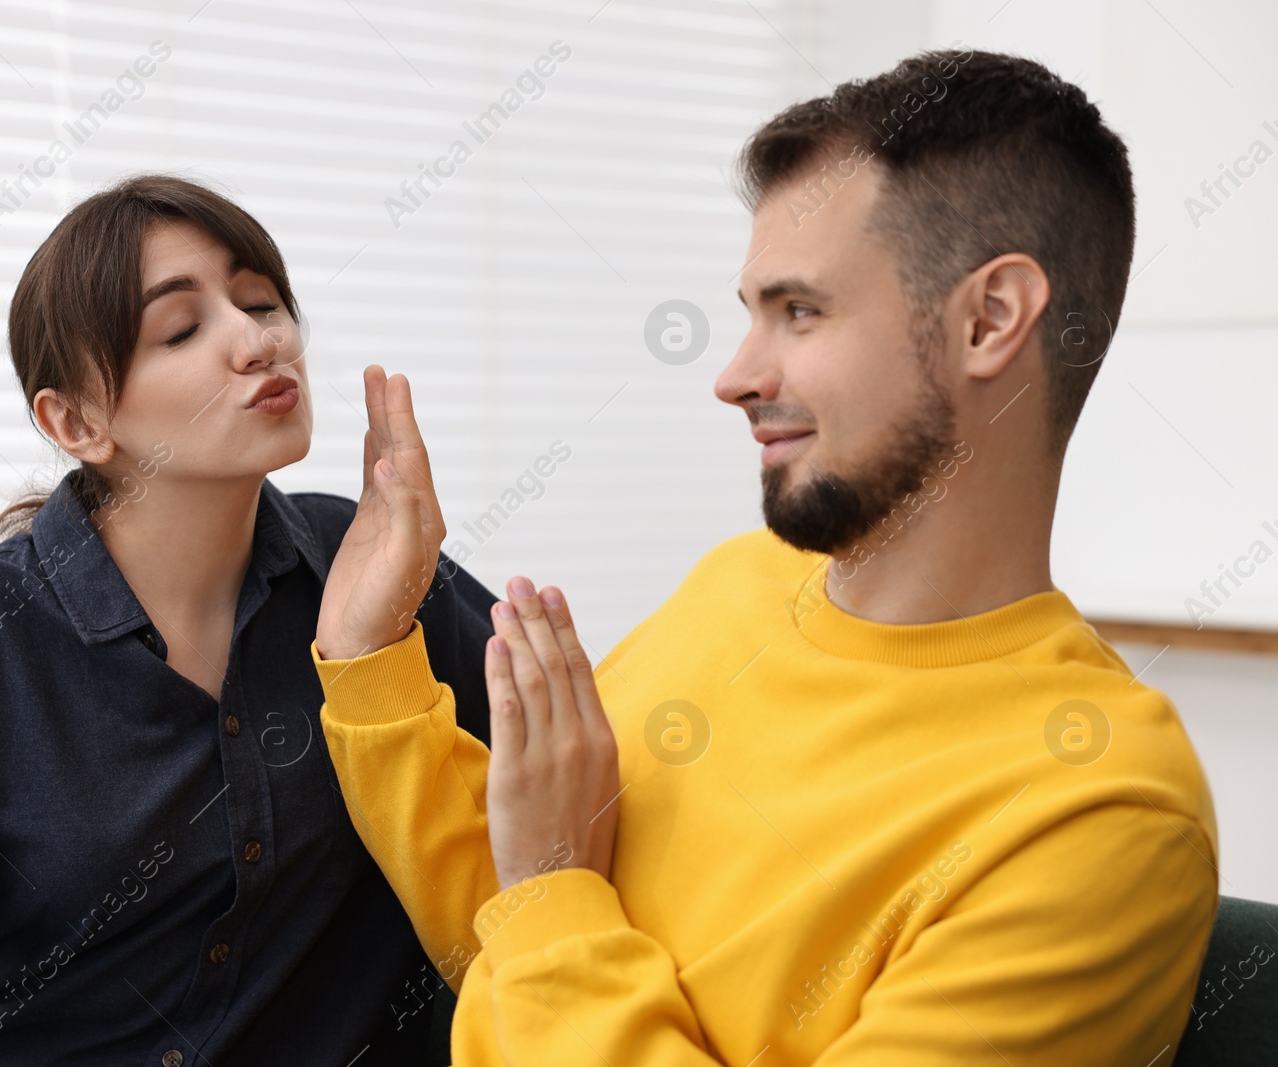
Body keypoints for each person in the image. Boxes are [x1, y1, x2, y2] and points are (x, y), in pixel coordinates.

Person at [310, 50, 1219, 1064]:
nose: (735, 376)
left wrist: (555, 886)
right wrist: (369, 659)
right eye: (751, 312)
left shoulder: (1097, 813)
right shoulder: (734, 587)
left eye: (800, 311)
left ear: (989, 319)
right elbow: (516, 936)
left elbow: (549, 914)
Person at [0, 175, 496, 1065]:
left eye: (261, 301)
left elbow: (575, 813)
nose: (258, 341)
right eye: (183, 329)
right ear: (77, 419)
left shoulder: (375, 568)